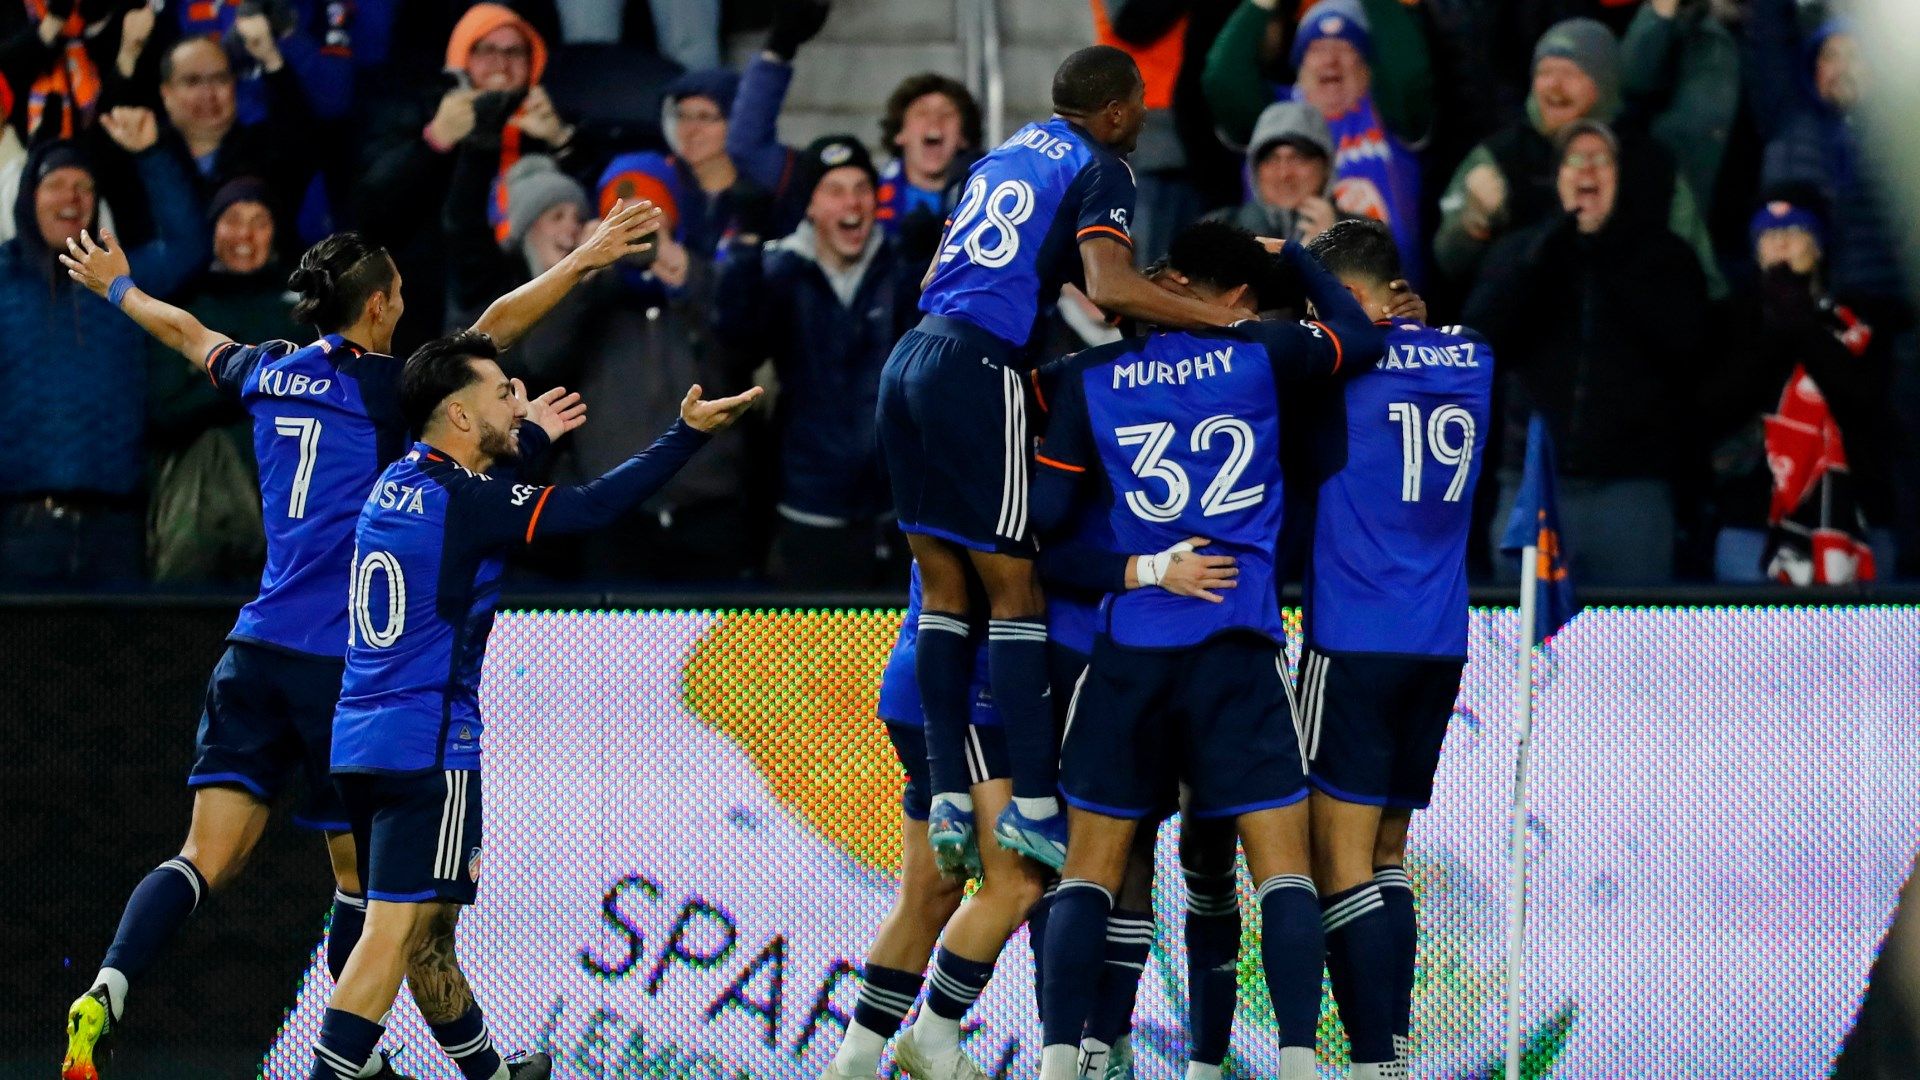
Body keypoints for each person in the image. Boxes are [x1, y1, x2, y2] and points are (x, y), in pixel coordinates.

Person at [54, 203, 663, 1080]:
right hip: (342, 669)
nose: (408, 304)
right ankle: (375, 1069)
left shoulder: (268, 370)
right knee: (376, 898)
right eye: (401, 293)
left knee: (202, 856)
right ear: (375, 307)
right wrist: (584, 261)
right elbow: (490, 331)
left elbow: (187, 335)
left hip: (252, 650)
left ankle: (110, 980)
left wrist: (116, 285)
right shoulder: (388, 389)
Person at [306, 332, 759, 1080]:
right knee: (396, 936)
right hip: (429, 746)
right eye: (499, 395)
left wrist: (529, 441)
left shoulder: (396, 483)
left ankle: (488, 1075)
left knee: (418, 933)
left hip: (357, 741)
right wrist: (685, 437)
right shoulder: (467, 500)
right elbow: (585, 509)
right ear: (456, 414)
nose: (514, 404)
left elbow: (491, 513)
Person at [878, 43, 1244, 891]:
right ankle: (1036, 806)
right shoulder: (1103, 164)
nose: (1143, 120)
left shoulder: (1000, 155)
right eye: (1139, 107)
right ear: (1115, 111)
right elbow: (1109, 285)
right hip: (979, 369)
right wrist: (1217, 322)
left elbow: (947, 268)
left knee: (941, 587)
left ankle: (945, 795)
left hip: (909, 358)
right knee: (1015, 590)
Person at [1027, 224, 1386, 1080]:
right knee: (1282, 873)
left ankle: (1055, 1062)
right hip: (1237, 647)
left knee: (1091, 872)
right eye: (1244, 296)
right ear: (1216, 297)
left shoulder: (1090, 380)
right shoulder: (1261, 356)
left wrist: (1144, 565)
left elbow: (1042, 536)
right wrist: (1297, 252)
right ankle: (1297, 1061)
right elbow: (1359, 336)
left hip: (1133, 650)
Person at [1293, 220, 1493, 1076]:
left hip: (1352, 641)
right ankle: (1395, 1046)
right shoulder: (1473, 360)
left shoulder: (1344, 374)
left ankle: (1374, 1059)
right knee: (1387, 854)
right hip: (1439, 643)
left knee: (1334, 858)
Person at [1464, 119, 1710, 585]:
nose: (1588, 168)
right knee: (1524, 649)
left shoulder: (1665, 257)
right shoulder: (1522, 251)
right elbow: (1478, 340)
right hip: (1532, 487)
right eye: (1576, 159)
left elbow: (1687, 351)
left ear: (1620, 177)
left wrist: (1608, 257)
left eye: (1603, 159)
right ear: (1558, 177)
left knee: (1633, 650)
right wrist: (1542, 255)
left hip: (1631, 491)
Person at [0, 111, 204, 587]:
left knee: (117, 663)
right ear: (30, 197)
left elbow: (187, 246)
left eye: (85, 187)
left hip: (115, 525)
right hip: (17, 525)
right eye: (57, 184)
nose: (72, 197)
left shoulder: (121, 278)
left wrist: (151, 154)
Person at [715, 135, 919, 588]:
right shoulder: (782, 273)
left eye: (862, 187)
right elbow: (737, 350)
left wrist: (936, 267)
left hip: (896, 511)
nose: (852, 203)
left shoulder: (903, 271)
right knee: (820, 658)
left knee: (897, 657)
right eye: (835, 190)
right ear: (810, 206)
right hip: (809, 508)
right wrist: (746, 250)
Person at [1434, 16, 1724, 298]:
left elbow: (1705, 282)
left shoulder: (1652, 164)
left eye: (1570, 74)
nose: (1554, 86)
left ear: (1605, 86)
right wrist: (1473, 224)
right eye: (1545, 72)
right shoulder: (1499, 158)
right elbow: (1447, 267)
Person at [1704, 194, 1892, 584]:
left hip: (1852, 522)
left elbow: (1862, 403)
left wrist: (1802, 322)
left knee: (1856, 646)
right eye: (1767, 235)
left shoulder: (1857, 320)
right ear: (1755, 252)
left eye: (1794, 231)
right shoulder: (1729, 320)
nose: (1781, 242)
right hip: (1753, 526)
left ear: (1818, 246)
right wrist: (1779, 324)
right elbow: (1718, 407)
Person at [145, 177, 302, 584]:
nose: (245, 234)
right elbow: (164, 412)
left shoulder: (305, 314)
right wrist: (248, 375)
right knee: (188, 638)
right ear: (212, 230)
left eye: (260, 221)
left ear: (276, 233)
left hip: (286, 514)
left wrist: (218, 371)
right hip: (198, 513)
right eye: (232, 219)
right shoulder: (184, 308)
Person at [1203, 99, 1349, 246]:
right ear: (1255, 170)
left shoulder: (1364, 236)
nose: (1284, 174)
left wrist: (1335, 247)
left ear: (1326, 167)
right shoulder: (1216, 233)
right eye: (1271, 160)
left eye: (1298, 158)